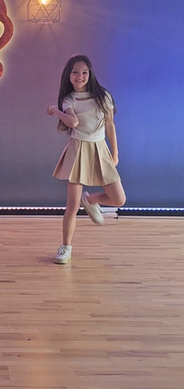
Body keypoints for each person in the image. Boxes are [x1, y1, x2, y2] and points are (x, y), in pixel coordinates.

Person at [47, 54, 125, 264]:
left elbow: (110, 124)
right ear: (69, 74)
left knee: (119, 199)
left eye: (84, 72)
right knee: (71, 206)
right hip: (77, 149)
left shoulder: (103, 96)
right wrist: (56, 111)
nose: (79, 76)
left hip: (100, 148)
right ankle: (66, 246)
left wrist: (115, 153)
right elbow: (72, 122)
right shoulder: (69, 99)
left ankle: (90, 200)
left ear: (90, 74)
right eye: (75, 72)